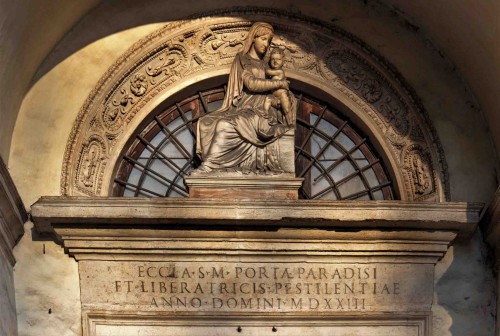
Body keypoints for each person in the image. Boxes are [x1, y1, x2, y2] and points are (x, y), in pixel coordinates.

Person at [195, 22, 295, 174]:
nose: (266, 44)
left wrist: (279, 93)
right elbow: (251, 84)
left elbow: (281, 93)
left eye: (268, 41)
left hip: (262, 110)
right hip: (245, 107)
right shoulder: (243, 59)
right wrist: (279, 82)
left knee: (224, 125)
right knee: (205, 122)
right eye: (263, 39)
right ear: (253, 38)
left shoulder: (265, 65)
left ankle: (209, 165)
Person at [264, 48, 294, 126]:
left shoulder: (280, 71)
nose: (275, 61)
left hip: (282, 96)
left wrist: (264, 64)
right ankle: (265, 115)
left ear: (283, 61)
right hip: (274, 96)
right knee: (267, 100)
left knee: (287, 110)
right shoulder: (273, 74)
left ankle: (290, 123)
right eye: (272, 59)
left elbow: (267, 72)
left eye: (278, 59)